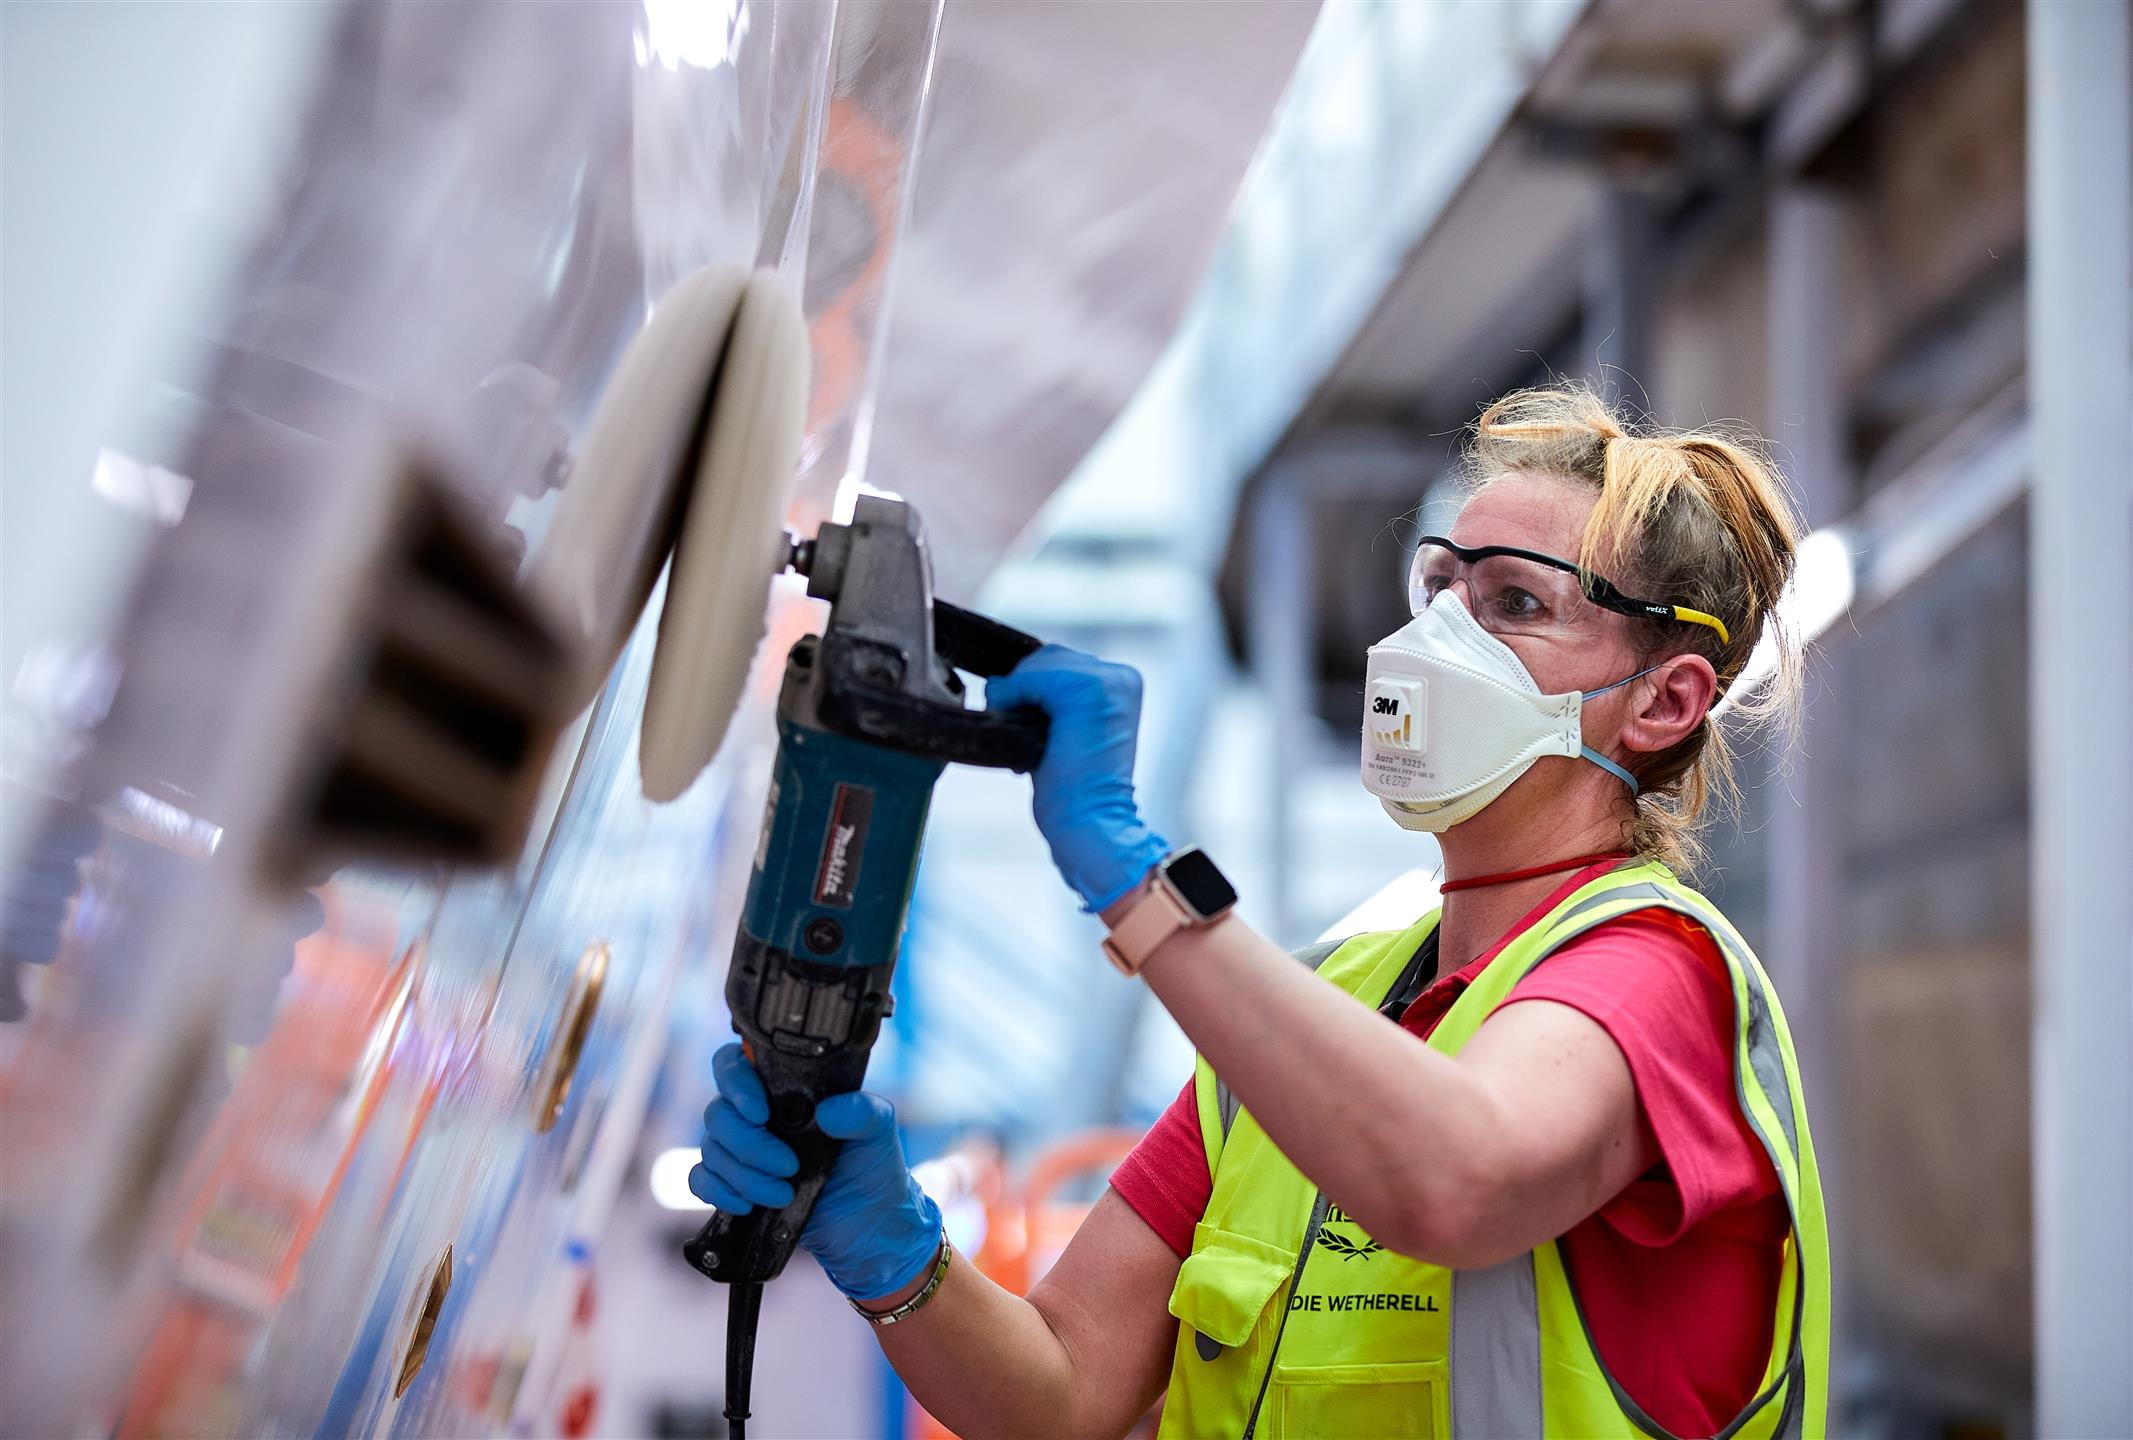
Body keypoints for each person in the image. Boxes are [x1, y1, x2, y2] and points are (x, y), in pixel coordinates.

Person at [693, 387, 1831, 1439]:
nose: (1441, 639)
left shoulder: (1658, 974)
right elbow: (1061, 1391)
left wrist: (1138, 877)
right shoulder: (1318, 1016)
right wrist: (891, 1244)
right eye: (1441, 589)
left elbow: (1456, 1177)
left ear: (1662, 700)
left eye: (1515, 604)